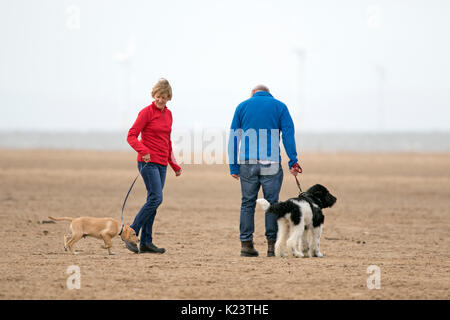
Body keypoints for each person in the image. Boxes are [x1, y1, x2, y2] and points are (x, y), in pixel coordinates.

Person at [227, 84, 302, 257]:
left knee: (247, 203)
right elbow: (288, 135)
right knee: (272, 204)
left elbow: (233, 137)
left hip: (247, 162)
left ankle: (246, 245)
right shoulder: (280, 106)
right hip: (272, 162)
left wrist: (233, 165)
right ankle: (271, 246)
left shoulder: (242, 106)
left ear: (253, 94)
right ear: (269, 94)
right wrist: (293, 161)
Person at [124, 78, 182, 254]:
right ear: (154, 95)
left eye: (164, 97)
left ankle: (147, 242)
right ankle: (131, 231)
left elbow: (167, 141)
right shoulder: (146, 113)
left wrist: (174, 164)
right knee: (156, 198)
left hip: (162, 163)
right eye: (158, 96)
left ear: (168, 97)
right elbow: (131, 136)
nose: (160, 100)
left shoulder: (169, 114)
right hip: (147, 162)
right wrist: (143, 150)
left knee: (153, 201)